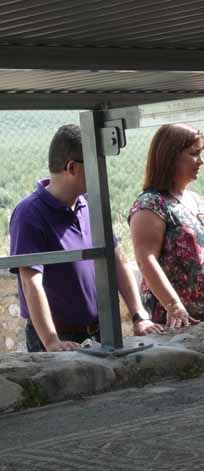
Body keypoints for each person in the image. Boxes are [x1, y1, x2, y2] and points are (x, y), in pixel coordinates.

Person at [9, 124, 162, 352]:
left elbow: (117, 260)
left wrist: (139, 315)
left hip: (102, 330)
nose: (102, 172)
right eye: (95, 164)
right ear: (72, 167)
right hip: (61, 338)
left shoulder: (91, 203)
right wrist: (51, 341)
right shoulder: (29, 214)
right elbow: (31, 283)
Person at [129, 124, 204, 327]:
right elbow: (145, 259)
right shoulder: (151, 204)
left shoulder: (198, 200)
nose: (201, 161)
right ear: (170, 157)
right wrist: (174, 306)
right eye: (194, 154)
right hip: (178, 321)